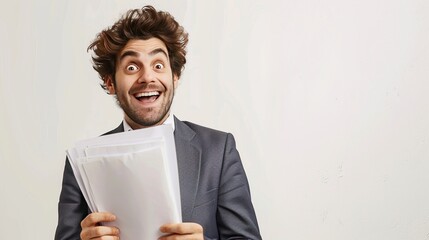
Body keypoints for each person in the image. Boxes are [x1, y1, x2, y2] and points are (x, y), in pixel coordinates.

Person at [55, 5, 261, 240]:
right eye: (132, 67)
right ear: (111, 82)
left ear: (175, 75)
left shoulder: (219, 150)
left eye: (158, 65)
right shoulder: (82, 160)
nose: (147, 77)